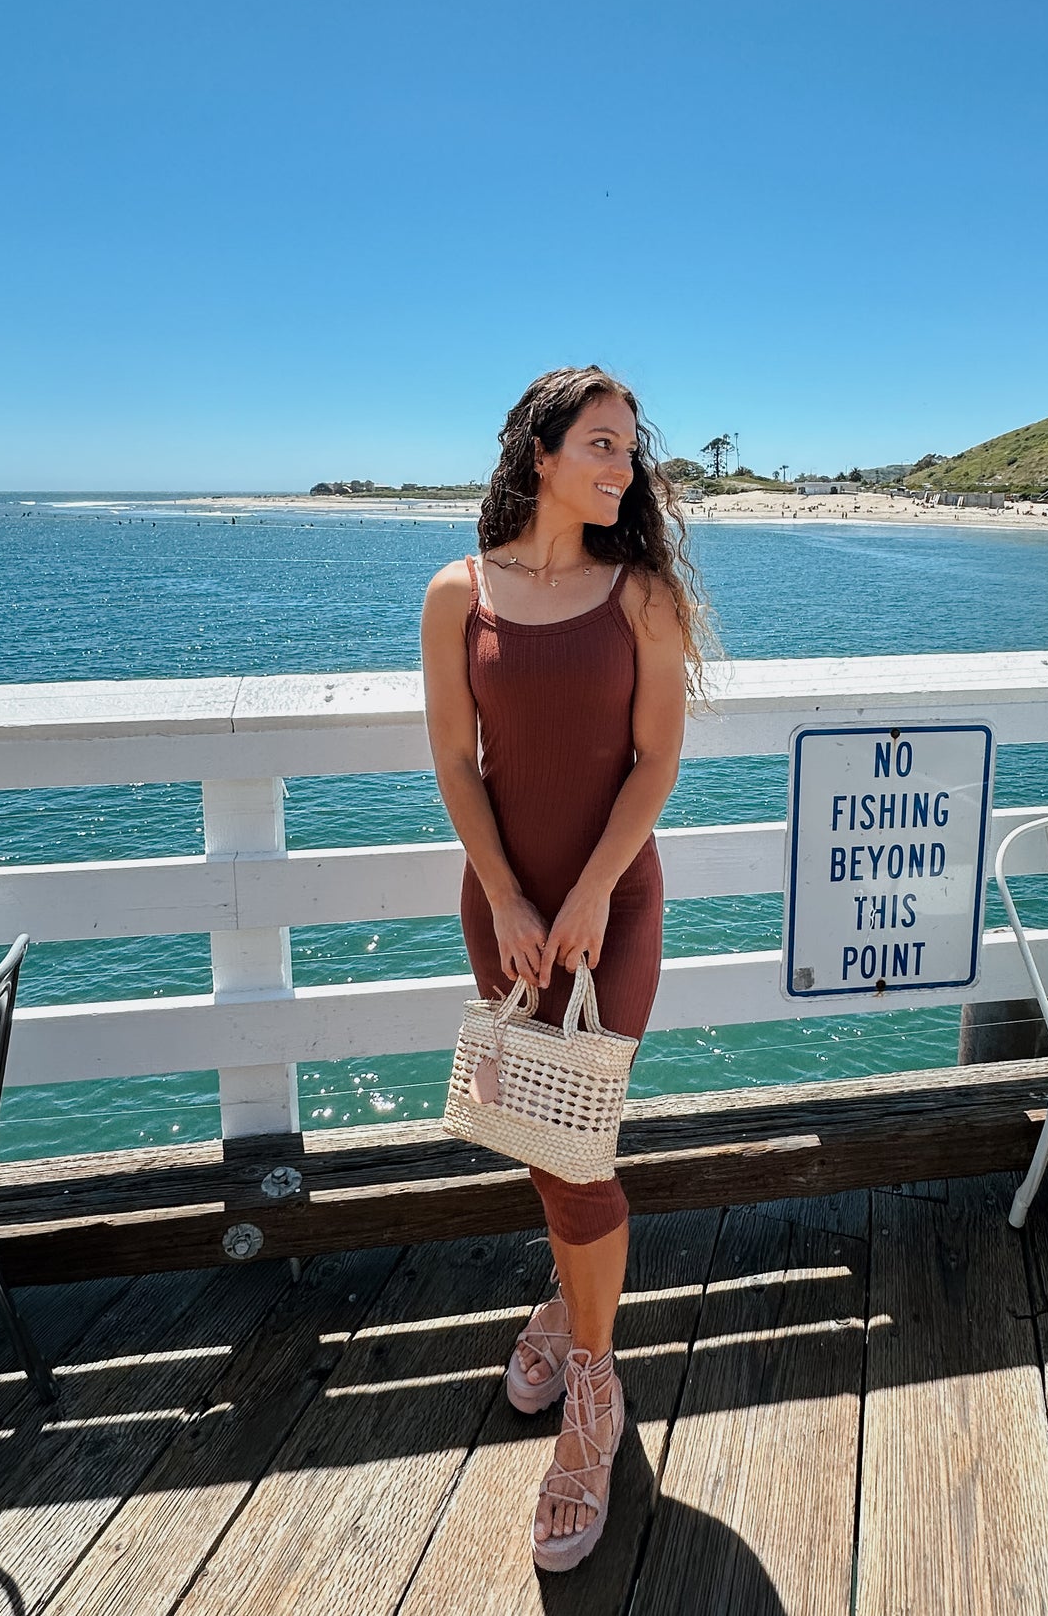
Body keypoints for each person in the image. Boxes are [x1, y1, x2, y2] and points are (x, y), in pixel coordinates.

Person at [420, 366, 707, 1571]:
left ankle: (594, 1401)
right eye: (598, 444)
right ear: (538, 453)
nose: (621, 468)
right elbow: (454, 761)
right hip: (505, 912)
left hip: (610, 910)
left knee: (575, 1153)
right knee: (539, 1136)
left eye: (629, 450)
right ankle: (563, 1309)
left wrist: (586, 890)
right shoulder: (456, 593)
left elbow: (652, 764)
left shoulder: (639, 595)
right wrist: (504, 890)